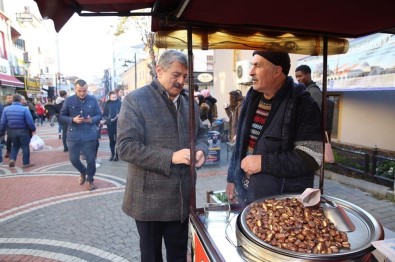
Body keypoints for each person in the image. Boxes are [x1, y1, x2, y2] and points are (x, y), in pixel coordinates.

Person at [117, 50, 208, 262]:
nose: (181, 81)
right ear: (159, 70)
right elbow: (126, 147)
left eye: (185, 77)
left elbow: (202, 133)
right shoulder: (135, 100)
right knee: (151, 257)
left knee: (178, 255)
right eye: (176, 74)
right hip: (148, 200)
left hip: (181, 197)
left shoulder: (189, 102)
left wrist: (202, 149)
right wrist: (170, 157)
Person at [226, 51, 323, 205]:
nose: (251, 72)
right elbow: (240, 144)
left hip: (282, 203)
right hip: (247, 193)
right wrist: (232, 178)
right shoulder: (251, 98)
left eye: (257, 66)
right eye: (252, 65)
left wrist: (264, 163)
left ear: (277, 71)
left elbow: (312, 156)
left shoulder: (303, 103)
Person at [59, 79, 102, 191]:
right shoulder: (68, 101)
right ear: (75, 89)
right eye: (79, 91)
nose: (82, 93)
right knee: (73, 159)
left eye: (84, 90)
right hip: (74, 135)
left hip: (90, 135)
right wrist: (72, 119)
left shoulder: (93, 99)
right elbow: (62, 116)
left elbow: (99, 115)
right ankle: (83, 171)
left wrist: (92, 119)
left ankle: (90, 180)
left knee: (91, 160)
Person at [295, 64, 335, 141]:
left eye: (300, 76)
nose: (298, 79)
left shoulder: (313, 91)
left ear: (308, 75)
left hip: (311, 134)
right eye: (297, 77)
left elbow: (314, 115)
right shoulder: (305, 90)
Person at [0, 94, 36, 168]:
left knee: (15, 146)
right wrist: (33, 129)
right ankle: (26, 162)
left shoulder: (6, 109)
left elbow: (3, 122)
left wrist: (2, 131)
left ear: (12, 100)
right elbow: (30, 121)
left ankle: (12, 159)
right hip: (23, 130)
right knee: (25, 146)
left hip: (11, 131)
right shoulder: (25, 109)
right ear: (20, 100)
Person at [103, 91, 121, 161]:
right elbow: (104, 114)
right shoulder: (107, 104)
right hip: (110, 124)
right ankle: (112, 154)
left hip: (118, 124)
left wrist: (119, 116)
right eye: (113, 97)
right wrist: (109, 119)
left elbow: (123, 112)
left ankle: (116, 155)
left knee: (117, 139)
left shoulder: (119, 103)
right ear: (110, 97)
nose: (114, 98)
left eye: (115, 97)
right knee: (111, 140)